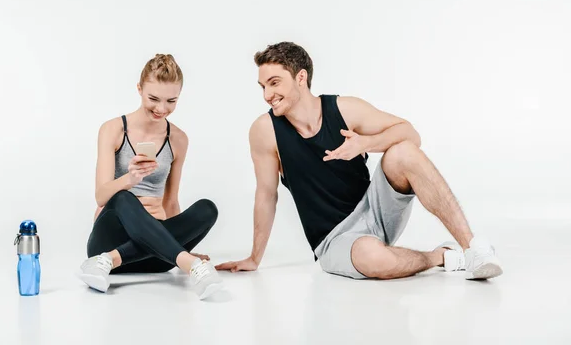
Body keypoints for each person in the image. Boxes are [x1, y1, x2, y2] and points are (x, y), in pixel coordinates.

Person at [215, 42, 503, 280]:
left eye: (274, 83)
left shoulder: (345, 108)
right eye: (262, 86)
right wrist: (254, 258)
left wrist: (366, 144)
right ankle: (439, 257)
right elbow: (266, 195)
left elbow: (409, 132)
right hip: (335, 240)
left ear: (300, 78)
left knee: (402, 150)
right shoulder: (265, 132)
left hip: (375, 209)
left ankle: (473, 248)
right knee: (371, 256)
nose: (267, 95)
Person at [78, 54, 223, 299]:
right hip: (107, 242)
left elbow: (171, 201)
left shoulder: (178, 139)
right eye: (153, 99)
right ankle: (191, 266)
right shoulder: (113, 129)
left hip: (155, 255)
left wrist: (173, 245)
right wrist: (129, 179)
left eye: (171, 101)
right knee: (124, 197)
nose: (161, 109)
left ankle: (173, 257)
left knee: (208, 209)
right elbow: (101, 196)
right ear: (139, 89)